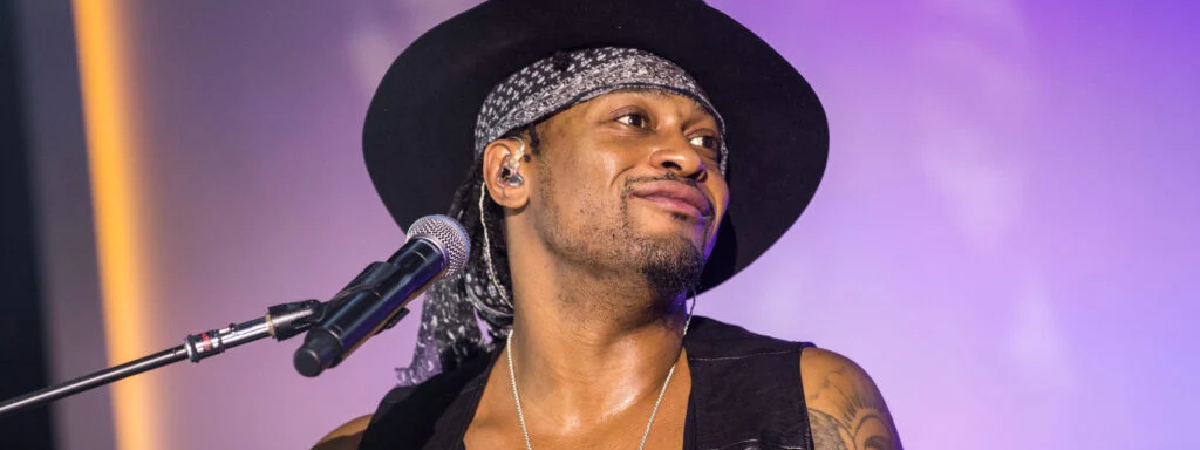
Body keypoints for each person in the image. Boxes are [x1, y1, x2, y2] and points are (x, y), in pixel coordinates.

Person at [314, 0, 903, 449]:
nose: (689, 157)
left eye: (706, 142)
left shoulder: (805, 405)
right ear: (509, 171)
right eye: (633, 121)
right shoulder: (381, 443)